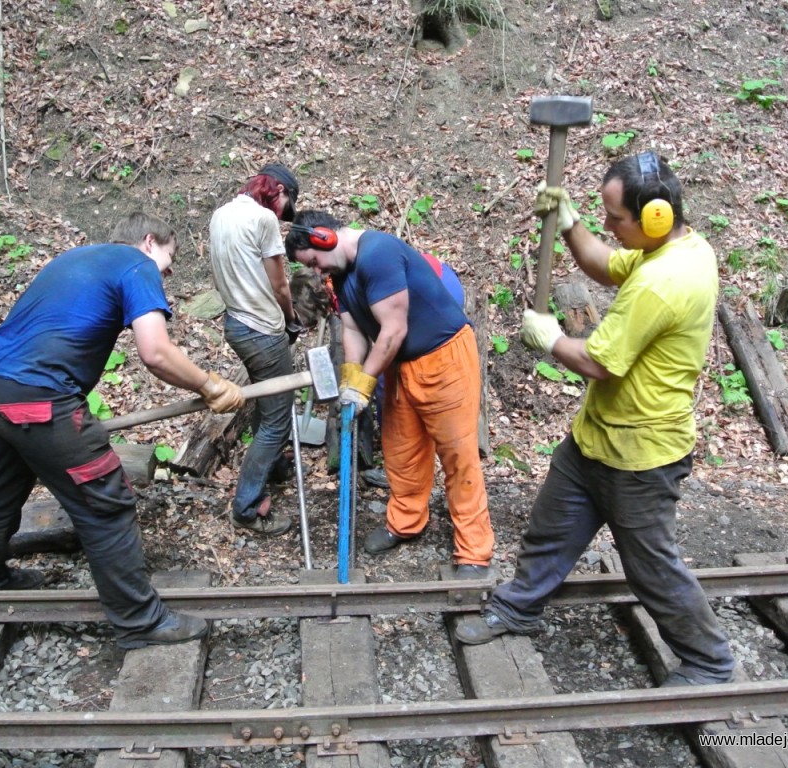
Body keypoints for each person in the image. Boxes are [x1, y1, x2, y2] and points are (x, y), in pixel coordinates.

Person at [453, 152, 736, 688]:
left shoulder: (665, 280)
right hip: (597, 439)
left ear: (655, 216)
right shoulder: (674, 247)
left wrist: (550, 337)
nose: (609, 227)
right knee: (550, 530)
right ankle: (518, 608)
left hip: (642, 454)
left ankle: (709, 663)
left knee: (652, 569)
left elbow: (599, 362)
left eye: (615, 219)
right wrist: (570, 223)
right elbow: (605, 264)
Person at [0, 211, 245, 649]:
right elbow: (155, 352)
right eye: (168, 260)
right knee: (106, 503)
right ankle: (140, 623)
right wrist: (210, 384)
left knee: (0, 488)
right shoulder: (135, 264)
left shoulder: (75, 258)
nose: (167, 272)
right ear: (149, 242)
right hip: (40, 397)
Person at [284, 212, 494, 579]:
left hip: (443, 358)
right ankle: (407, 521)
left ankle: (474, 550)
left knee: (458, 456)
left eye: (314, 262)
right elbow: (351, 329)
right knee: (402, 450)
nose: (316, 272)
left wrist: (365, 383)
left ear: (324, 238)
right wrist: (352, 379)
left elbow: (394, 330)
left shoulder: (377, 254)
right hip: (399, 366)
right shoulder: (341, 273)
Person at [209, 163, 304, 537]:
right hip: (263, 328)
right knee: (277, 417)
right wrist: (291, 318)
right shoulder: (263, 219)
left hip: (235, 322)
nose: (283, 214)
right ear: (277, 190)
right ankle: (246, 507)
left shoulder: (221, 215)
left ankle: (276, 468)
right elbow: (280, 285)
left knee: (272, 403)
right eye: (286, 204)